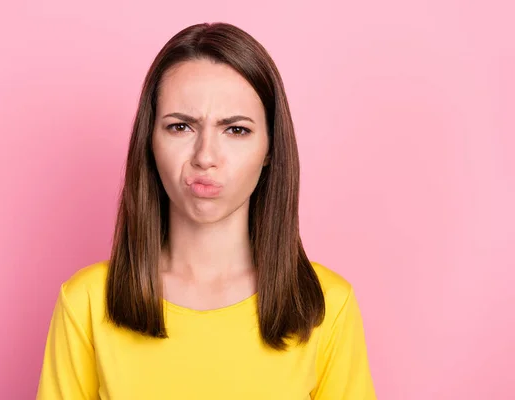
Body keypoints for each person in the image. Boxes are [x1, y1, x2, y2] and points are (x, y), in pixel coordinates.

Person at [37, 22, 376, 399]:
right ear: (149, 141)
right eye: (180, 127)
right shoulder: (85, 302)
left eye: (236, 130)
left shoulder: (327, 306)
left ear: (270, 149)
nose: (205, 157)